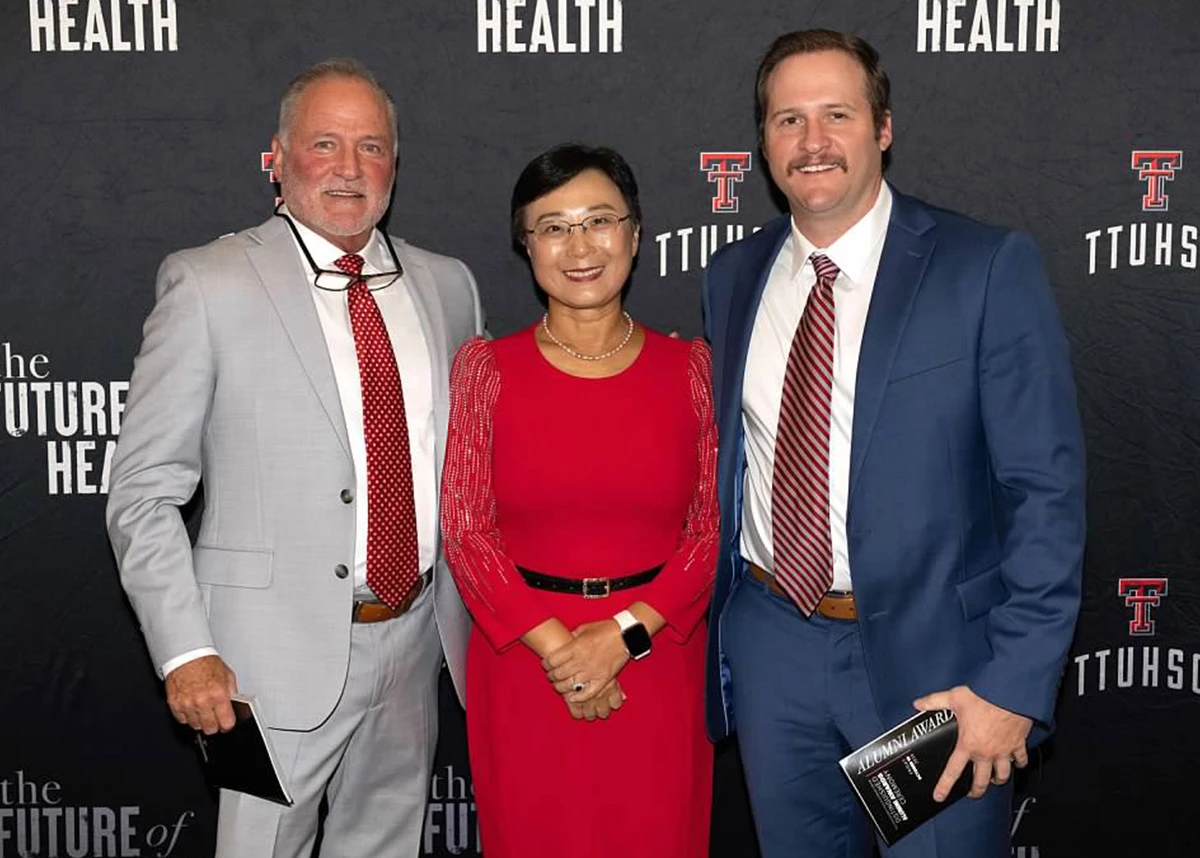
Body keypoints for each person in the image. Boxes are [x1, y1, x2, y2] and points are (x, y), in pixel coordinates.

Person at [702, 29, 1086, 858]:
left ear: (882, 128)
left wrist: (1012, 686)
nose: (812, 143)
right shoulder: (733, 276)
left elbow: (1044, 491)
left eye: (836, 114)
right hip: (776, 645)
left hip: (937, 668)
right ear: (763, 141)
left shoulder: (982, 266)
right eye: (787, 120)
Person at [106, 58, 482, 858]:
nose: (349, 168)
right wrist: (186, 651)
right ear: (276, 157)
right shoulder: (209, 282)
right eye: (325, 143)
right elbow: (142, 491)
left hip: (414, 644)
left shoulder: (449, 288)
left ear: (395, 163)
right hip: (260, 667)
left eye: (371, 146)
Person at [440, 143, 717, 858]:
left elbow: (710, 531)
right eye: (553, 227)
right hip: (527, 666)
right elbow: (467, 531)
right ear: (525, 245)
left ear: (634, 233)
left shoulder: (689, 369)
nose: (580, 246)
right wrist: (564, 653)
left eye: (599, 220)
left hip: (655, 665)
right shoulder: (486, 369)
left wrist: (621, 636)